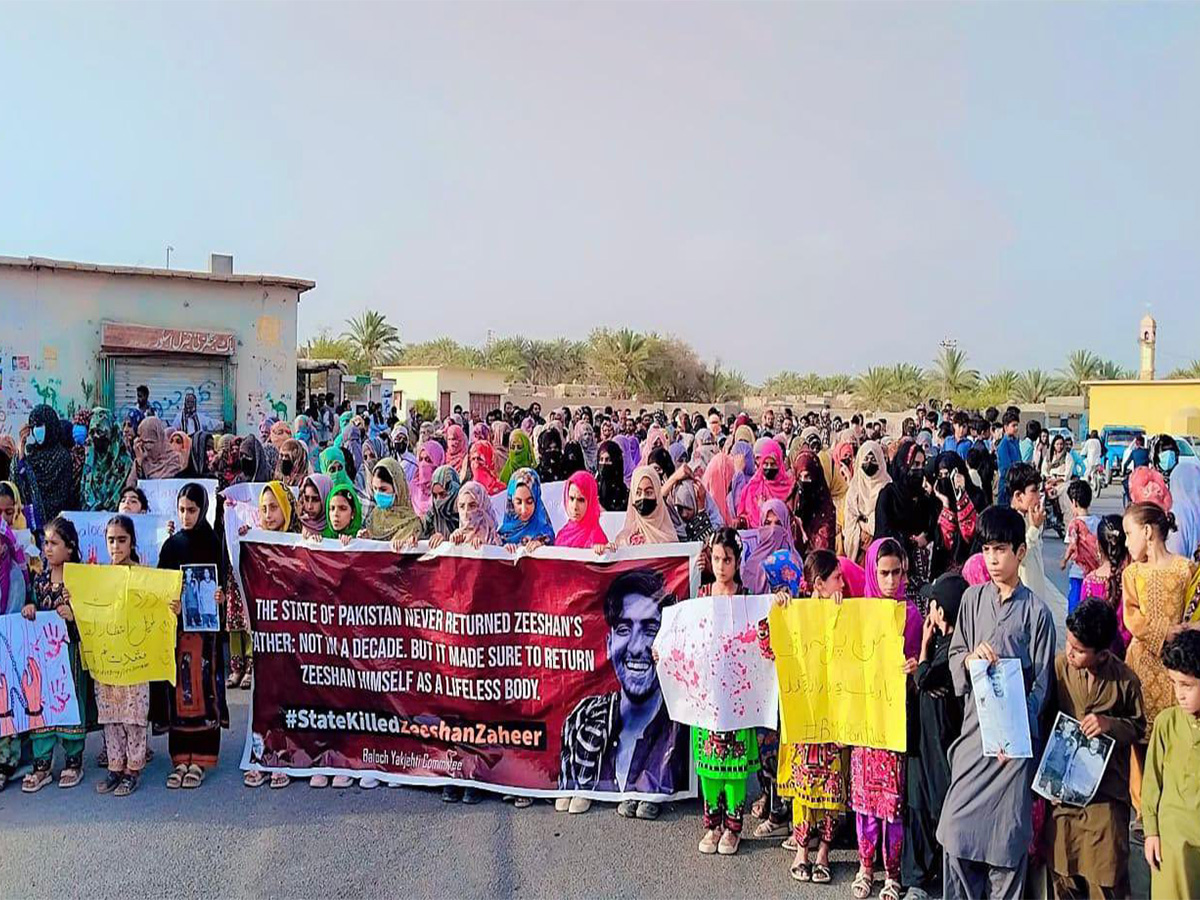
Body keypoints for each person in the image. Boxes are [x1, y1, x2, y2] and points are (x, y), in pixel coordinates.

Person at [937, 505, 1057, 899]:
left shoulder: (1037, 613)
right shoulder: (971, 600)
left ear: (1020, 552)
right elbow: (956, 655)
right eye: (986, 549)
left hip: (1013, 749)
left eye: (1001, 549)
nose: (992, 559)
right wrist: (970, 660)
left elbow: (1041, 685)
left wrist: (1016, 732)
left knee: (1006, 848)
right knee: (955, 834)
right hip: (974, 737)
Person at [558, 568, 689, 820]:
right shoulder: (583, 719)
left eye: (650, 629)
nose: (638, 647)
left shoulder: (679, 727)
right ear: (609, 644)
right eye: (624, 629)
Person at [1048, 599, 1146, 900]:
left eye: (1079, 650)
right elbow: (1046, 714)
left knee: (1106, 874)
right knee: (1064, 870)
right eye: (1069, 644)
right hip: (1065, 792)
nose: (1070, 653)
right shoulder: (1061, 667)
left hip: (1107, 795)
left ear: (1102, 653)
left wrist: (1109, 725)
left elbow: (1138, 728)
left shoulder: (1125, 680)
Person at [850, 538, 921, 900]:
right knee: (865, 803)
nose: (891, 581)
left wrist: (914, 669)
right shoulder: (858, 613)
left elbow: (920, 667)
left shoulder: (911, 615)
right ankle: (866, 868)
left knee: (891, 805)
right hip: (866, 723)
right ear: (873, 574)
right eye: (884, 573)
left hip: (894, 723)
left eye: (897, 573)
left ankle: (892, 873)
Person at [689, 529, 762, 855]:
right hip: (707, 698)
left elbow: (762, 639)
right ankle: (712, 825)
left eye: (727, 559)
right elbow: (686, 638)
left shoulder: (747, 600)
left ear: (737, 561)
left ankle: (733, 829)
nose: (721, 566)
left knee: (734, 769)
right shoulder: (701, 597)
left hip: (737, 698)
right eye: (716, 559)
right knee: (708, 766)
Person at [779, 549, 850, 886]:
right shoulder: (796, 612)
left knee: (832, 789)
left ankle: (824, 852)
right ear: (819, 584)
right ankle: (802, 851)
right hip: (805, 715)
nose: (843, 582)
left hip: (834, 716)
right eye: (837, 577)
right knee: (803, 790)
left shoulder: (846, 613)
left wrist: (839, 617)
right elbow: (769, 645)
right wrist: (777, 609)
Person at [1121, 501, 1196, 814]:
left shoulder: (1185, 569)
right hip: (1140, 666)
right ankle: (1141, 807)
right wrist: (1166, 631)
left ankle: (1171, 803)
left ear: (1148, 532)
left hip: (1174, 671)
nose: (1126, 542)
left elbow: (1194, 611)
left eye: (1129, 533)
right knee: (1138, 740)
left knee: (1172, 736)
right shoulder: (1132, 573)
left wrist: (1186, 630)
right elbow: (1131, 617)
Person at [155, 483, 229, 790]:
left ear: (203, 511)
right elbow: (160, 585)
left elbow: (223, 579)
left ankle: (201, 759)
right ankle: (180, 758)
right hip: (178, 632)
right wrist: (168, 603)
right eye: (182, 509)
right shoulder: (171, 546)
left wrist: (220, 596)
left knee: (203, 691)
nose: (186, 516)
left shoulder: (213, 543)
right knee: (179, 694)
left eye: (192, 510)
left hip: (206, 636)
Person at [96, 516, 175, 796]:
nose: (116, 546)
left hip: (135, 661)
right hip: (107, 661)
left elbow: (156, 609)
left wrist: (171, 608)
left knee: (133, 716)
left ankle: (133, 770)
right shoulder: (98, 577)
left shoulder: (143, 576)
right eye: (111, 540)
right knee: (111, 716)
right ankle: (115, 768)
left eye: (122, 539)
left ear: (132, 542)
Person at [17, 517, 95, 792]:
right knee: (42, 705)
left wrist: (75, 616)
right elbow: (33, 607)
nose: (47, 548)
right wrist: (30, 609)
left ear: (70, 549)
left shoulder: (82, 580)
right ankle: (42, 766)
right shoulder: (39, 581)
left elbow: (95, 614)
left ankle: (74, 761)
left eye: (54, 543)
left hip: (70, 654)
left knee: (69, 701)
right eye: (45, 543)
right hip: (43, 657)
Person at [903, 574, 967, 898]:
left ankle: (934, 880)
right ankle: (918, 878)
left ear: (940, 612)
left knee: (937, 808)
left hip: (940, 747)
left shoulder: (952, 651)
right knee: (919, 806)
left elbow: (928, 677)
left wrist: (924, 651)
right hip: (925, 744)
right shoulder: (951, 646)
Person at [1141, 629, 1200, 899]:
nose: (1179, 694)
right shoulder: (1167, 722)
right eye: (1174, 683)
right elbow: (1152, 783)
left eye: (1187, 685)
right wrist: (1151, 832)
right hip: (1170, 846)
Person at [16, 404, 78, 527]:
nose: (35, 431)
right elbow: (20, 482)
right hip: (30, 524)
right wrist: (21, 445)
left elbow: (61, 497)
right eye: (33, 427)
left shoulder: (62, 457)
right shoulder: (32, 455)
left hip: (56, 526)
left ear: (50, 425)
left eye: (39, 426)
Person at [1081, 515, 1133, 653]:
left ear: (1098, 545)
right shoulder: (1132, 579)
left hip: (1097, 656)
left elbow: (1083, 623)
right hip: (1127, 656)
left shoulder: (1090, 582)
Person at [843, 440, 891, 566]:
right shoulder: (854, 488)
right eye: (866, 459)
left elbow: (886, 523)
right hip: (858, 552)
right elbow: (849, 521)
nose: (869, 462)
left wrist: (866, 527)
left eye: (873, 459)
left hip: (881, 552)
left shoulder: (888, 487)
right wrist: (860, 533)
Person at [1007, 462, 1048, 603]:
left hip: (1036, 599)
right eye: (1034, 491)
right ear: (1018, 496)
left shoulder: (1030, 518)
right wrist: (1034, 529)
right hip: (1021, 602)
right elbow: (1020, 557)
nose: (1039, 496)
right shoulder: (1009, 523)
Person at [359, 459, 421, 544]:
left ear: (397, 488)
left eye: (383, 489)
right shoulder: (374, 517)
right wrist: (365, 537)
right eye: (375, 488)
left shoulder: (412, 522)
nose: (378, 494)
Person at [1061, 480, 1100, 614]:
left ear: (1074, 502)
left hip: (1078, 573)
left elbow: (1072, 546)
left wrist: (1064, 561)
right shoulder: (1097, 522)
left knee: (1074, 608)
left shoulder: (1074, 524)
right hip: (1094, 572)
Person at [737, 439, 795, 529]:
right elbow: (746, 516)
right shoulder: (753, 487)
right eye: (765, 464)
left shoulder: (789, 488)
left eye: (773, 464)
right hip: (757, 538)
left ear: (779, 465)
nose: (769, 468)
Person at [498, 468, 556, 552]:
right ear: (511, 501)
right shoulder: (501, 536)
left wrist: (541, 544)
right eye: (518, 502)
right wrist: (503, 550)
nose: (524, 510)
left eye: (529, 502)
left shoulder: (545, 534)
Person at [555, 471, 609, 549]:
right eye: (571, 498)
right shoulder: (564, 533)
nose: (575, 507)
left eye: (581, 500)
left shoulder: (596, 538)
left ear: (591, 502)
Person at [409, 440, 446, 518]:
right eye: (421, 459)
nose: (423, 464)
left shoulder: (444, 488)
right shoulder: (412, 487)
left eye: (428, 460)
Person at [996, 410, 1022, 507]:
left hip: (1015, 484)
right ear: (1006, 427)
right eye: (1013, 425)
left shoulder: (1015, 441)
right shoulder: (1004, 444)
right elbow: (1006, 468)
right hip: (1006, 485)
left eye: (1017, 425)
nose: (1016, 428)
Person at [596, 440, 630, 513]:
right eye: (601, 459)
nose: (604, 463)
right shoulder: (593, 486)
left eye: (608, 460)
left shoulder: (623, 493)